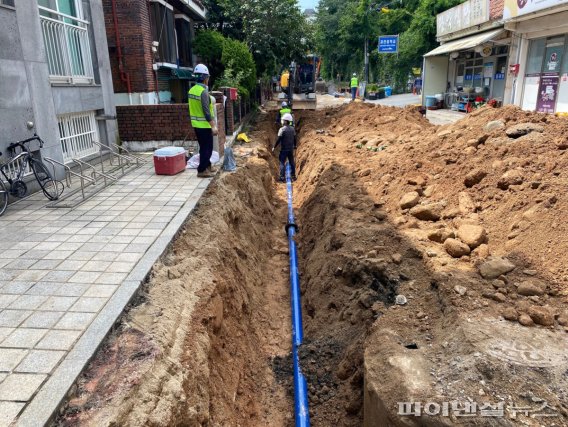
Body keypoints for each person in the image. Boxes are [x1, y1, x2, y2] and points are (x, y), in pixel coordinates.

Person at [188, 64, 218, 178]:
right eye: (208, 77)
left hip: (196, 124)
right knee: (207, 148)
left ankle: (208, 166)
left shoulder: (192, 90)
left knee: (203, 147)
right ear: (205, 78)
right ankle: (202, 170)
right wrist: (213, 126)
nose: (208, 79)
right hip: (204, 125)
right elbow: (206, 111)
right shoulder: (203, 92)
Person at [272, 113, 297, 182]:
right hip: (290, 149)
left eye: (283, 120)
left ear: (285, 121)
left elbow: (279, 139)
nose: (282, 121)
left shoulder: (282, 129)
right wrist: (295, 145)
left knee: (282, 162)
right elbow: (294, 138)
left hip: (284, 149)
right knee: (291, 162)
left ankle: (282, 177)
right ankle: (293, 176)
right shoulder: (292, 129)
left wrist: (274, 147)